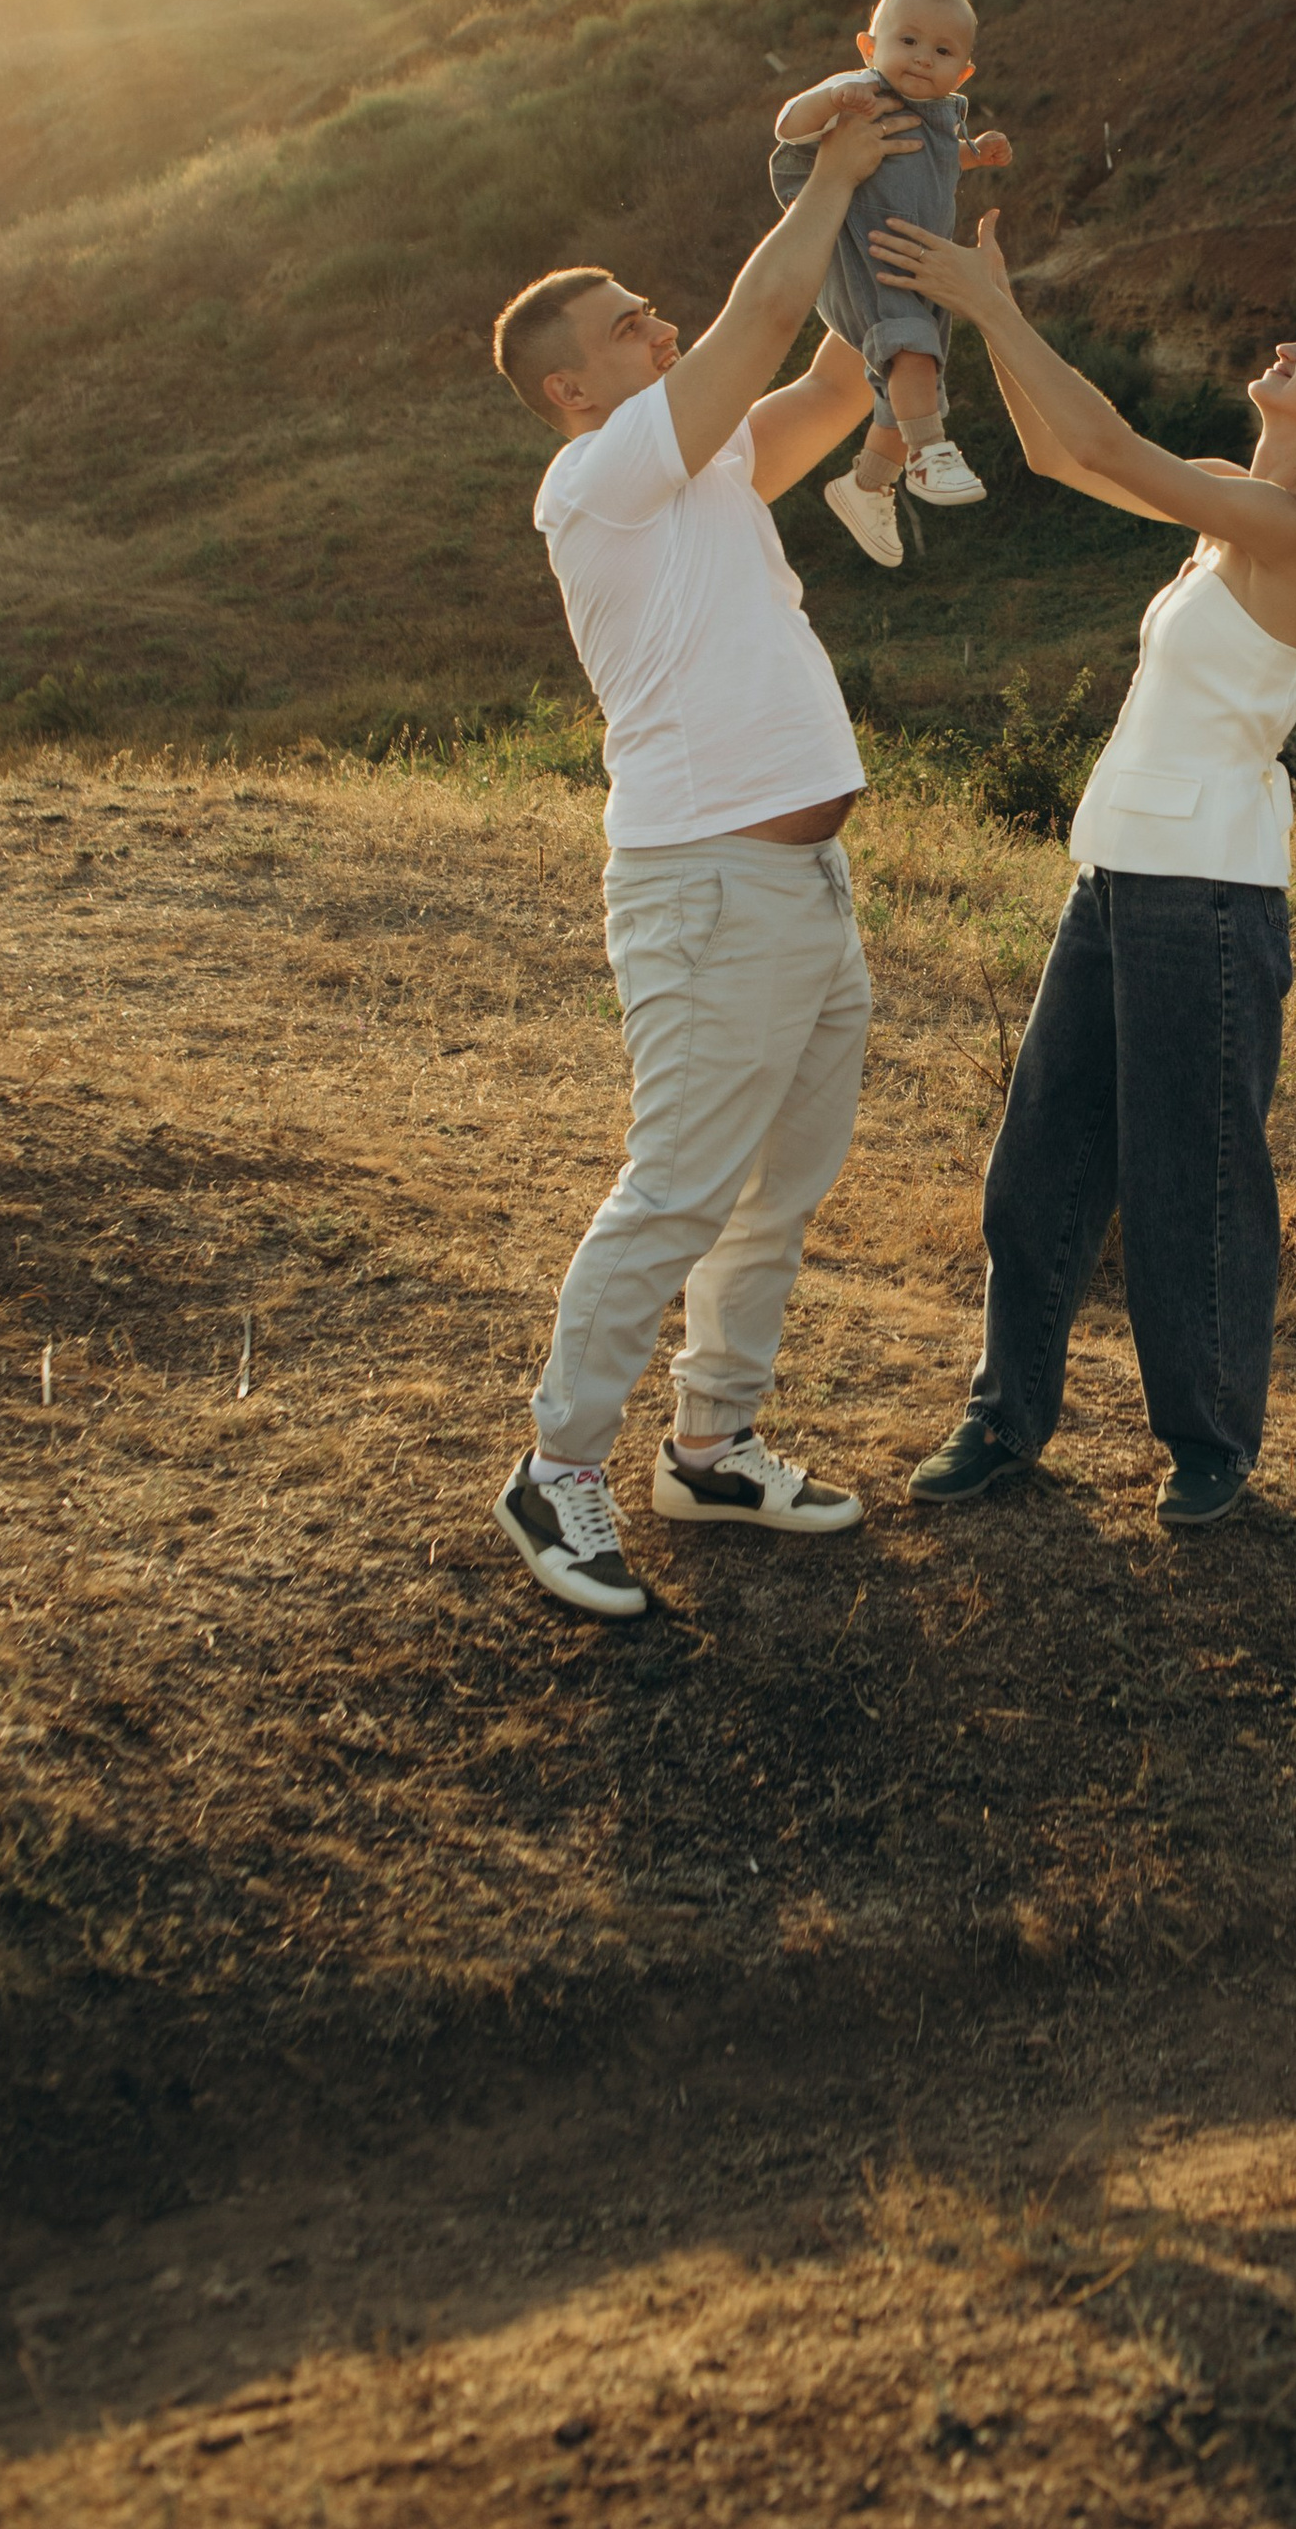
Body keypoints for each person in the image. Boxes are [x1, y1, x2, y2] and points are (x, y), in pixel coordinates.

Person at [870, 208, 1296, 1531]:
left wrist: (985, 309)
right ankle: (1006, 1421)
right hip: (1120, 871)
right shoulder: (1228, 511)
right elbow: (1056, 449)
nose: (1286, 347)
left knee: (1187, 1180)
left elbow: (1099, 439)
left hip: (1206, 893)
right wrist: (992, 312)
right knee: (1038, 1172)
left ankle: (1207, 1447)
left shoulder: (1293, 529)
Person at [483, 91, 917, 1621]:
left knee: (777, 1189)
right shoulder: (599, 477)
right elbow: (763, 312)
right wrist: (823, 183)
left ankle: (711, 1446)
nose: (657, 324)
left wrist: (896, 200)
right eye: (626, 323)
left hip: (800, 887)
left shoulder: (709, 463)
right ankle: (557, 1468)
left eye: (652, 309)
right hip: (705, 886)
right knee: (677, 1187)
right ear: (567, 387)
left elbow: (827, 365)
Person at [769, 0, 1013, 569]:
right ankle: (928, 452)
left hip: (914, 262)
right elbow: (789, 125)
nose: (922, 59)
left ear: (965, 72)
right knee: (910, 353)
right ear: (868, 46)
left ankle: (868, 484)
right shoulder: (859, 90)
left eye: (942, 51)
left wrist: (973, 153)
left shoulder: (938, 118)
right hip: (863, 258)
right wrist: (831, 102)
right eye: (906, 40)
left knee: (914, 377)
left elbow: (930, 165)